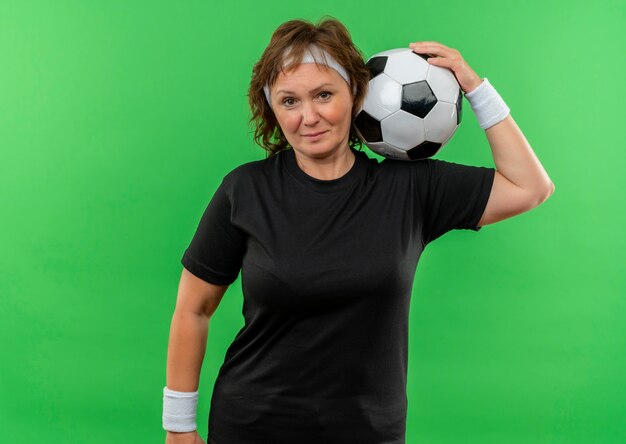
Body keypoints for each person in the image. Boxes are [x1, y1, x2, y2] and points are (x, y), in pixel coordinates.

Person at [163, 16, 554, 444]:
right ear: (271, 107)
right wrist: (179, 426)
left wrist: (476, 88)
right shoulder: (245, 189)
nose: (308, 117)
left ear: (356, 92)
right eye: (289, 101)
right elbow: (192, 310)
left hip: (369, 432)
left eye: (323, 95)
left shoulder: (410, 188)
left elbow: (530, 187)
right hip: (254, 426)